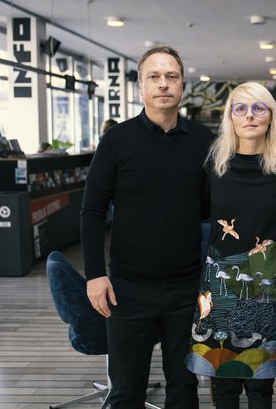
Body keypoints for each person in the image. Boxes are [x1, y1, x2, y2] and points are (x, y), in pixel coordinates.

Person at [80, 46, 213, 409]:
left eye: (171, 76)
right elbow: (92, 211)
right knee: (126, 392)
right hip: (127, 289)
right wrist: (95, 274)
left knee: (184, 387)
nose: (163, 84)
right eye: (153, 76)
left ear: (182, 85)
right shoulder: (117, 140)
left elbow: (212, 209)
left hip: (187, 288)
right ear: (141, 86)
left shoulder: (204, 142)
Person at [186, 82, 276, 409]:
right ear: (230, 118)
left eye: (258, 108)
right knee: (223, 382)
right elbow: (202, 212)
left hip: (265, 279)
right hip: (220, 284)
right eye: (240, 108)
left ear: (271, 117)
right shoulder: (214, 166)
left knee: (261, 385)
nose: (250, 116)